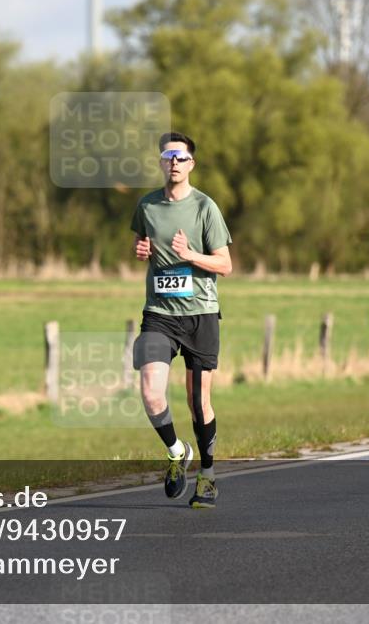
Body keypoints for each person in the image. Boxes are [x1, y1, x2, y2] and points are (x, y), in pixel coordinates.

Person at [130, 131, 232, 509]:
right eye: (168, 157)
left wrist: (190, 255)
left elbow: (225, 264)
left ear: (192, 164)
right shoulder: (146, 206)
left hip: (200, 314)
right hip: (159, 314)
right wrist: (140, 249)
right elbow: (143, 243)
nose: (174, 163)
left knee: (197, 402)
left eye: (181, 158)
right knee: (150, 391)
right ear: (160, 162)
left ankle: (207, 474)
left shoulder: (205, 207)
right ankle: (177, 451)